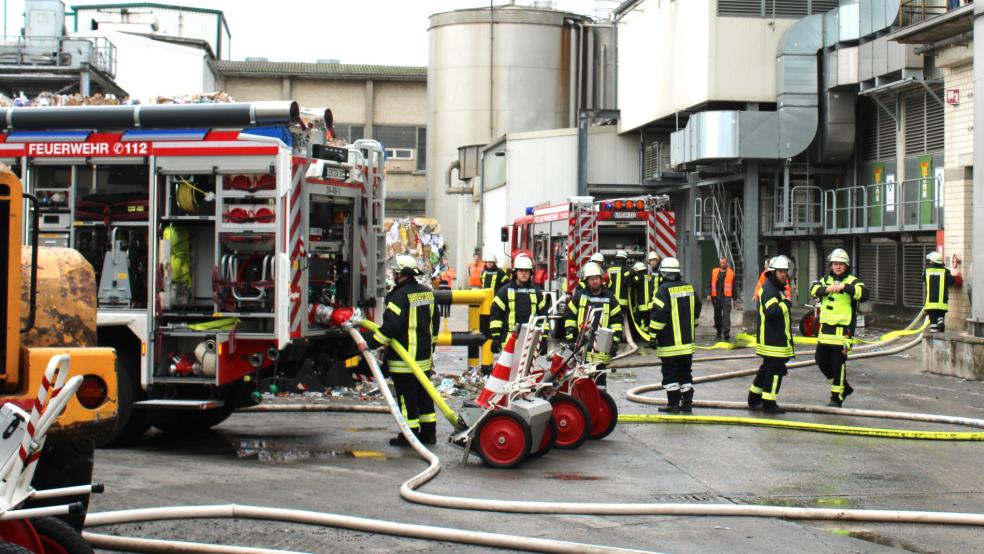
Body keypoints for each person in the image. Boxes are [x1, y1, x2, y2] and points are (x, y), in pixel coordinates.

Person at [367, 255, 440, 446]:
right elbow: (435, 324)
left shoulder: (398, 296)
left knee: (406, 397)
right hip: (423, 357)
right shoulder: (427, 293)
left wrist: (371, 343)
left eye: (395, 272)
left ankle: (409, 435)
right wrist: (431, 348)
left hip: (404, 359)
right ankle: (429, 433)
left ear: (400, 274)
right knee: (424, 395)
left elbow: (391, 326)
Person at [810, 248, 868, 407]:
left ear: (846, 265)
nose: (838, 266)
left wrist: (844, 287)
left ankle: (836, 397)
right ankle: (845, 387)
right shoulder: (825, 280)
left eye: (841, 264)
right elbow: (813, 290)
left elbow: (864, 294)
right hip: (825, 330)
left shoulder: (853, 281)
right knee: (821, 360)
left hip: (844, 331)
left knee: (838, 364)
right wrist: (827, 289)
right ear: (831, 265)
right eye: (835, 263)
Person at [649, 257, 701, 413]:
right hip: (687, 343)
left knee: (670, 374)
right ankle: (687, 402)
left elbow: (659, 315)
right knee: (685, 373)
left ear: (664, 273)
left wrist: (652, 334)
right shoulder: (689, 288)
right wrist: (694, 324)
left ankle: (673, 404)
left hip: (669, 344)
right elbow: (697, 307)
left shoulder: (663, 290)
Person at [563, 262, 623, 389]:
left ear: (601, 280)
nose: (595, 281)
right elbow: (570, 316)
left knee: (600, 378)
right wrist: (570, 338)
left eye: (597, 278)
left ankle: (601, 403)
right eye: (592, 279)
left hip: (602, 345)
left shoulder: (610, 298)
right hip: (583, 345)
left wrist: (615, 342)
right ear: (586, 281)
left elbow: (617, 321)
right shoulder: (580, 296)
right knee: (583, 379)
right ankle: (585, 403)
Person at [748, 256, 794, 414]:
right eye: (781, 272)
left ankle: (753, 399)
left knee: (766, 368)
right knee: (775, 370)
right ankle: (769, 403)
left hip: (773, 338)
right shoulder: (770, 289)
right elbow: (772, 312)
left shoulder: (774, 287)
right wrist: (786, 303)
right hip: (773, 340)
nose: (784, 275)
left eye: (785, 272)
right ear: (773, 272)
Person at [489, 254, 545, 353]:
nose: (524, 273)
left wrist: (544, 338)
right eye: (521, 270)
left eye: (526, 271)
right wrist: (496, 337)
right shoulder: (504, 292)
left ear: (530, 273)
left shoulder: (537, 294)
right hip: (509, 342)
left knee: (526, 369)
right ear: (515, 273)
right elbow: (496, 315)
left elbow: (543, 317)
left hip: (529, 342)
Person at [924, 251, 962, 332]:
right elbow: (951, 281)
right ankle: (940, 321)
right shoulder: (945, 271)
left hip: (931, 302)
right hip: (942, 302)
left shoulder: (926, 271)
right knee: (940, 316)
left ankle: (934, 332)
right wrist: (958, 277)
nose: (930, 261)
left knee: (933, 325)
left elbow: (924, 278)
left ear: (933, 261)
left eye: (930, 260)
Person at [708, 257, 735, 341]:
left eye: (724, 262)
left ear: (726, 263)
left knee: (726, 316)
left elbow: (734, 286)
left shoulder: (731, 273)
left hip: (726, 297)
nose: (722, 264)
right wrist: (709, 294)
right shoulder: (714, 271)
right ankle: (718, 331)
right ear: (719, 263)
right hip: (716, 297)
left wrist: (734, 298)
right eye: (721, 262)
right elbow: (709, 283)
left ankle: (726, 333)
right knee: (717, 316)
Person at [627, 261, 652, 342]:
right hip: (651, 304)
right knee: (648, 321)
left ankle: (644, 336)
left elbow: (630, 282)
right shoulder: (649, 276)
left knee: (642, 322)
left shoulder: (639, 276)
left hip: (642, 305)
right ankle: (649, 336)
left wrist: (630, 274)